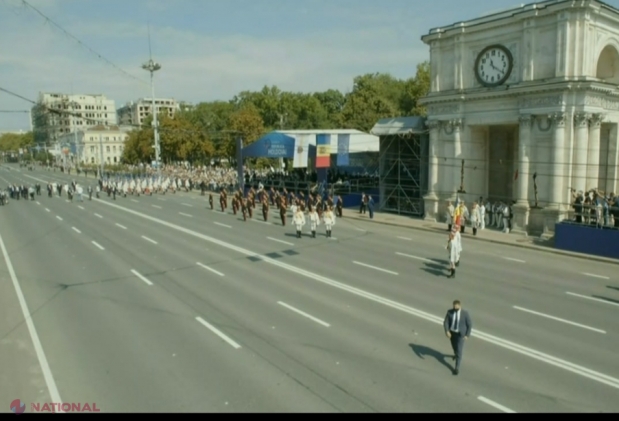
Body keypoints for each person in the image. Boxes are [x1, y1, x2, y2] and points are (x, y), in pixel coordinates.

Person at [443, 300, 472, 375]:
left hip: (460, 334)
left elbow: (469, 325)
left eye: (456, 307)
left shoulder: (465, 313)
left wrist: (467, 335)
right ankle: (456, 355)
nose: (455, 308)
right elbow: (446, 322)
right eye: (454, 307)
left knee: (459, 350)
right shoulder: (449, 312)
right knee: (454, 347)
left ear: (460, 306)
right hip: (452, 333)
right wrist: (447, 331)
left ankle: (456, 368)